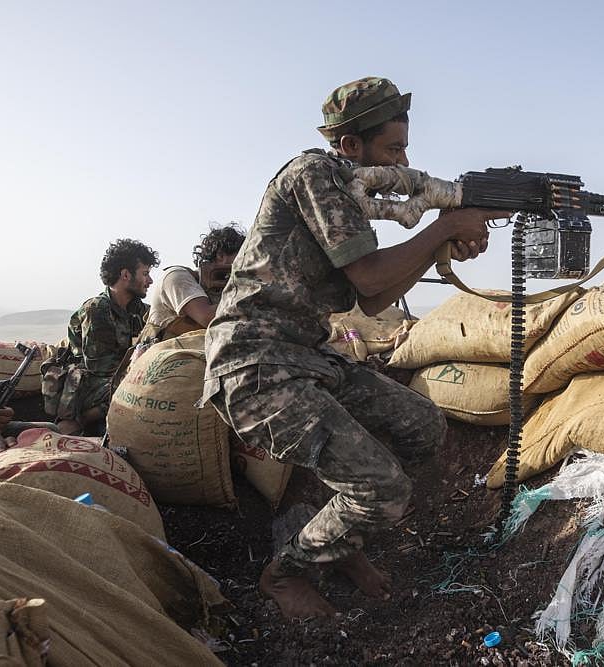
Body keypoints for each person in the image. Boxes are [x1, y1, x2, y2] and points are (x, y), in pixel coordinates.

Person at [202, 76, 501, 620]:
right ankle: (286, 572)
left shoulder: (344, 190)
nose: (404, 161)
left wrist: (442, 238)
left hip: (306, 358)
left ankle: (339, 539)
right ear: (350, 146)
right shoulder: (312, 174)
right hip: (254, 364)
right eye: (394, 149)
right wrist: (444, 228)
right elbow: (368, 277)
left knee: (422, 427)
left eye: (406, 148)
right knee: (383, 489)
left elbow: (376, 297)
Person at [42, 239, 159, 436]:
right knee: (137, 384)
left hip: (108, 381)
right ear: (125, 275)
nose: (150, 281)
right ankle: (80, 421)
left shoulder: (137, 309)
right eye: (145, 274)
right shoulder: (97, 309)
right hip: (87, 387)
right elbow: (101, 368)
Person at [139, 223, 246, 345]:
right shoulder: (176, 276)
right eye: (242, 256)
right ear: (221, 255)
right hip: (167, 355)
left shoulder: (223, 287)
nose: (246, 263)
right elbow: (208, 317)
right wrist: (251, 293)